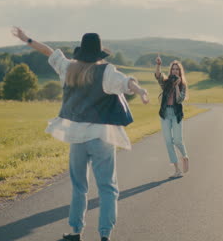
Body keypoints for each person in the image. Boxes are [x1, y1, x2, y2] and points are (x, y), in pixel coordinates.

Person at [12, 27, 149, 241]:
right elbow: (127, 83)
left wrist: (26, 39)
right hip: (101, 137)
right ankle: (104, 234)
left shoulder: (68, 69)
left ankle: (76, 232)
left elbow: (49, 51)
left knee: (78, 187)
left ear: (81, 51)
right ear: (98, 53)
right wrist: (140, 91)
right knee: (107, 187)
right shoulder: (106, 72)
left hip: (76, 138)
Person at [154, 55, 189, 178]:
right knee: (168, 142)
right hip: (165, 114)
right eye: (173, 69)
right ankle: (177, 170)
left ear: (180, 71)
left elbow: (179, 100)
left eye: (177, 69)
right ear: (171, 71)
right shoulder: (166, 82)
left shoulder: (182, 85)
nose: (175, 71)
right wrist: (158, 64)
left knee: (178, 140)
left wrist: (177, 86)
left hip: (176, 115)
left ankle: (185, 156)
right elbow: (158, 76)